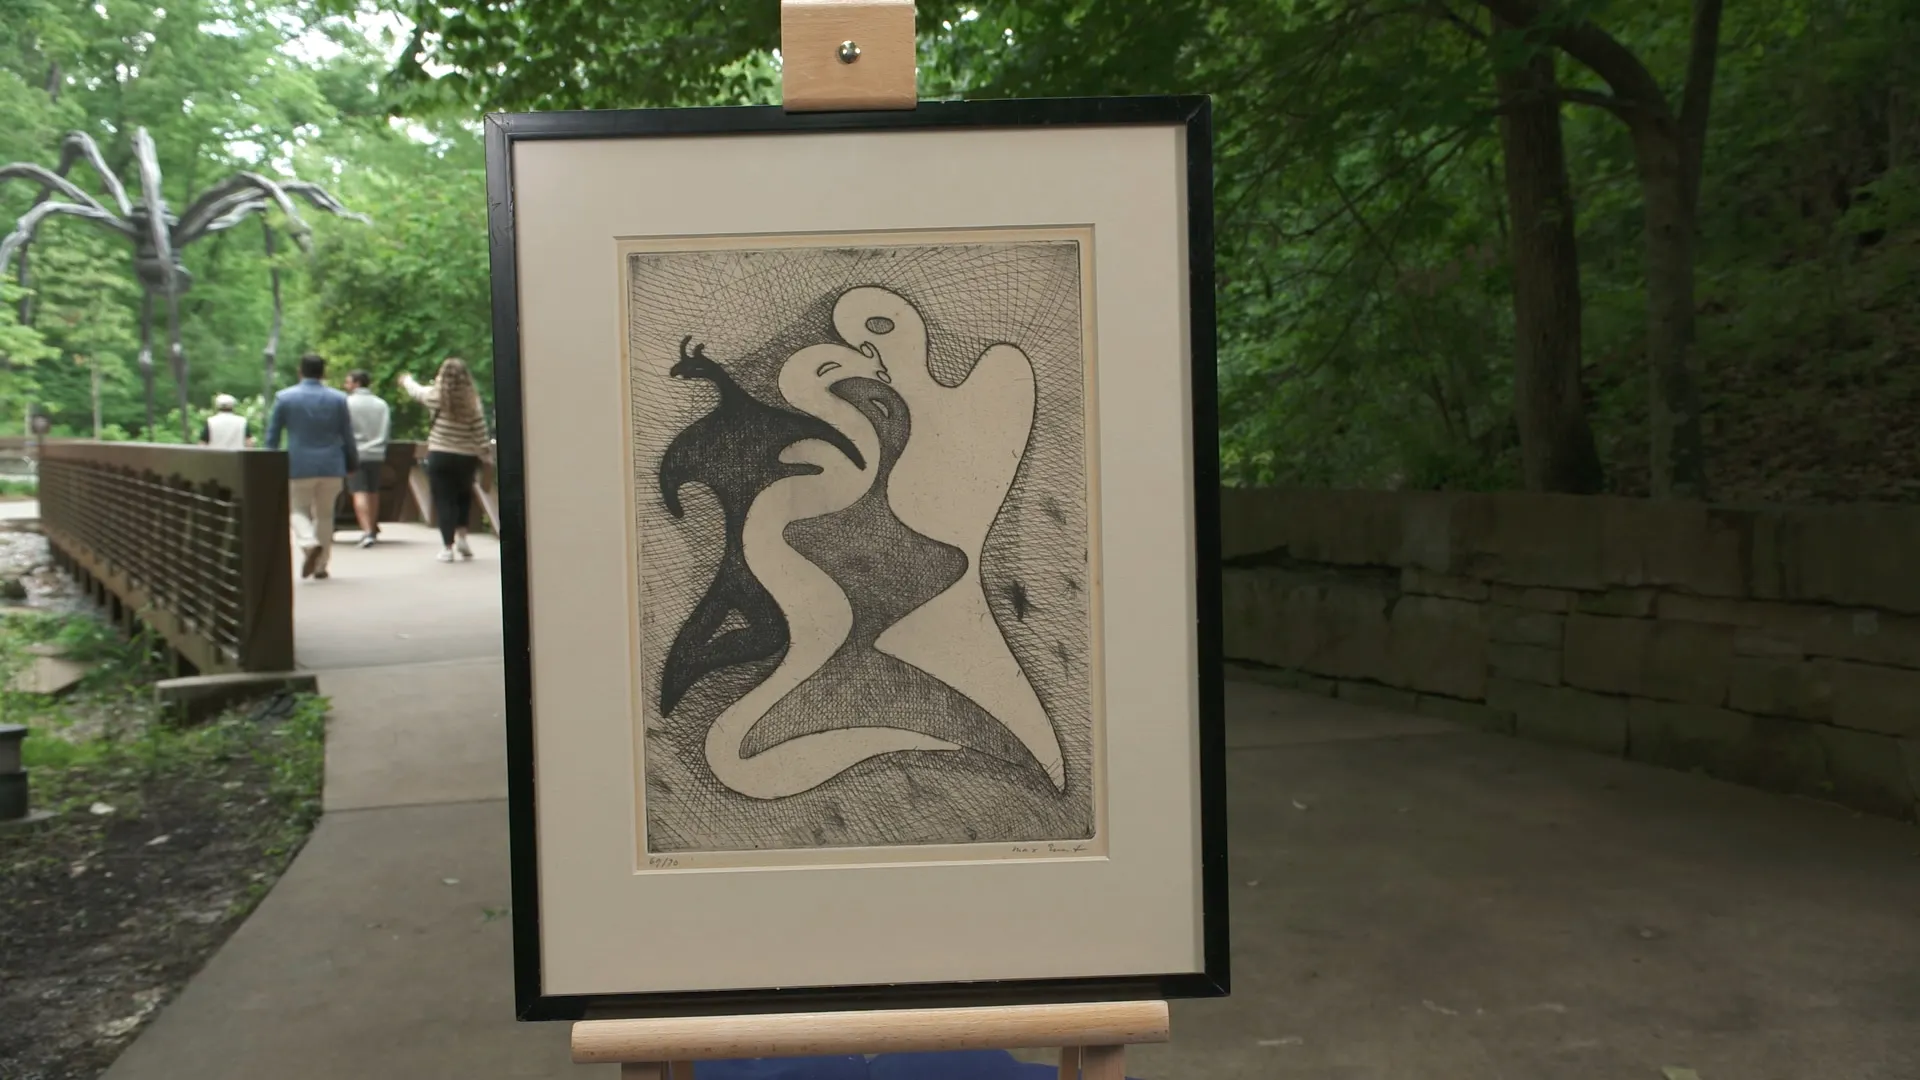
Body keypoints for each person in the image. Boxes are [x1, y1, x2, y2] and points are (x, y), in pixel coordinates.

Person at [266, 353, 358, 581]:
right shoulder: (338, 399)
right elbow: (347, 435)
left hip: (298, 464)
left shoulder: (285, 398)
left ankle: (308, 543)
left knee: (297, 510)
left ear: (300, 371)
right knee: (325, 515)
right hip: (332, 464)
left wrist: (269, 462)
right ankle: (320, 566)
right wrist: (352, 461)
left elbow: (273, 435)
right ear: (323, 373)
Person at [399, 357, 491, 563]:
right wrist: (485, 453)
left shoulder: (435, 396)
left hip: (440, 454)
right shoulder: (472, 402)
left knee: (444, 500)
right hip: (466, 456)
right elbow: (480, 431)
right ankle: (463, 538)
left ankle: (447, 548)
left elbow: (417, 392)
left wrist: (406, 381)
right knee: (463, 498)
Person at [343, 370, 391, 548]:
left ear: (356, 383)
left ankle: (367, 531)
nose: (346, 385)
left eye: (348, 382)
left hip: (356, 453)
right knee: (372, 491)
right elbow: (387, 429)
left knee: (358, 491)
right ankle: (372, 527)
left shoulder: (347, 403)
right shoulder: (381, 404)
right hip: (376, 453)